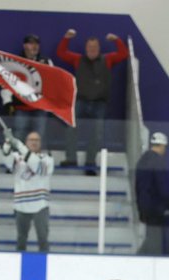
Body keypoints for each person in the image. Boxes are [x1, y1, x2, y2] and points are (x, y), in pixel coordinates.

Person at [57, 29, 128, 173]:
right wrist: (66, 38)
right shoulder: (78, 60)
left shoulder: (107, 60)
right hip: (81, 101)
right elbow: (61, 53)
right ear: (85, 48)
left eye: (94, 47)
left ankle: (90, 163)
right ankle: (71, 159)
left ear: (99, 48)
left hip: (99, 103)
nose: (92, 50)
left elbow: (123, 54)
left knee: (96, 134)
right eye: (89, 47)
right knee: (71, 129)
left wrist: (116, 40)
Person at [4, 131, 53, 252]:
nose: (34, 142)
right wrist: (7, 143)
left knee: (43, 239)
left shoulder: (47, 159)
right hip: (21, 204)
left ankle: (45, 266)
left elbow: (38, 167)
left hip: (40, 205)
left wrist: (20, 146)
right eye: (31, 140)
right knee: (21, 239)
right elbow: (7, 162)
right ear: (27, 142)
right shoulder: (18, 157)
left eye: (36, 140)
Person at [135, 131, 169, 255]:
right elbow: (161, 186)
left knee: (151, 238)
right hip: (156, 207)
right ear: (162, 146)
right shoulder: (157, 161)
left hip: (144, 205)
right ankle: (138, 262)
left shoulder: (142, 160)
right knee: (155, 243)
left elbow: (138, 185)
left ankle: (136, 259)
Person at [9, 34, 55, 142]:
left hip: (40, 106)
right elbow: (8, 82)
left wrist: (50, 102)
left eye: (36, 44)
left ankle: (37, 159)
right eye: (31, 43)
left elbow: (53, 82)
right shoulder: (15, 61)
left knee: (38, 137)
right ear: (24, 45)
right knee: (19, 136)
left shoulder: (46, 61)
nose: (34, 46)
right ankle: (18, 159)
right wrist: (7, 102)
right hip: (21, 107)